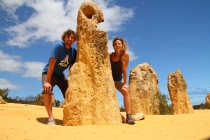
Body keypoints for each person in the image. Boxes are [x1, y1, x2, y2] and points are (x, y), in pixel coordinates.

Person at [41, 29, 77, 125]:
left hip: (61, 75)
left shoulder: (74, 52)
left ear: (74, 40)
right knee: (47, 90)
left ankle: (73, 116)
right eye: (68, 36)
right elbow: (51, 64)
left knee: (70, 93)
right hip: (48, 73)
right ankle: (51, 118)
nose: (70, 38)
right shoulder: (59, 46)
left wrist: (71, 81)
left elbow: (72, 67)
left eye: (72, 37)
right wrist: (47, 82)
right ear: (64, 37)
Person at [110, 37, 135, 125]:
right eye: (116, 44)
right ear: (113, 46)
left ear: (122, 45)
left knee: (126, 91)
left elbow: (124, 70)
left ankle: (129, 116)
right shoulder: (110, 55)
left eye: (119, 44)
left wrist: (125, 84)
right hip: (108, 81)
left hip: (117, 81)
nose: (117, 45)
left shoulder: (125, 55)